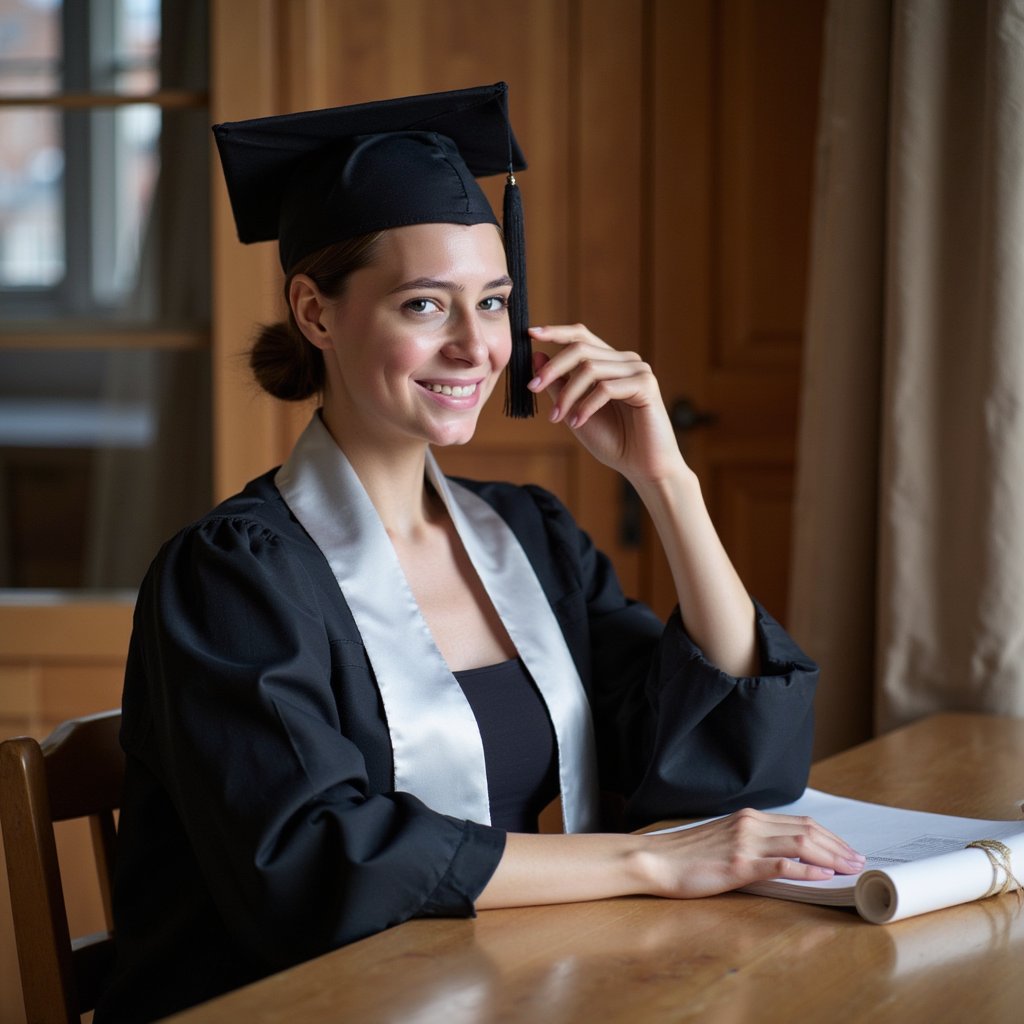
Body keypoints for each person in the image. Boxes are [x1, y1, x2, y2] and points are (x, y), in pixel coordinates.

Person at [95, 83, 863, 1022]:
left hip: (504, 985)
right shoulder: (233, 577)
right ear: (315, 311)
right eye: (425, 305)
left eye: (494, 302)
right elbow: (313, 864)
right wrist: (648, 861)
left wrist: (670, 484)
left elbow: (724, 768)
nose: (474, 347)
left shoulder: (527, 536)